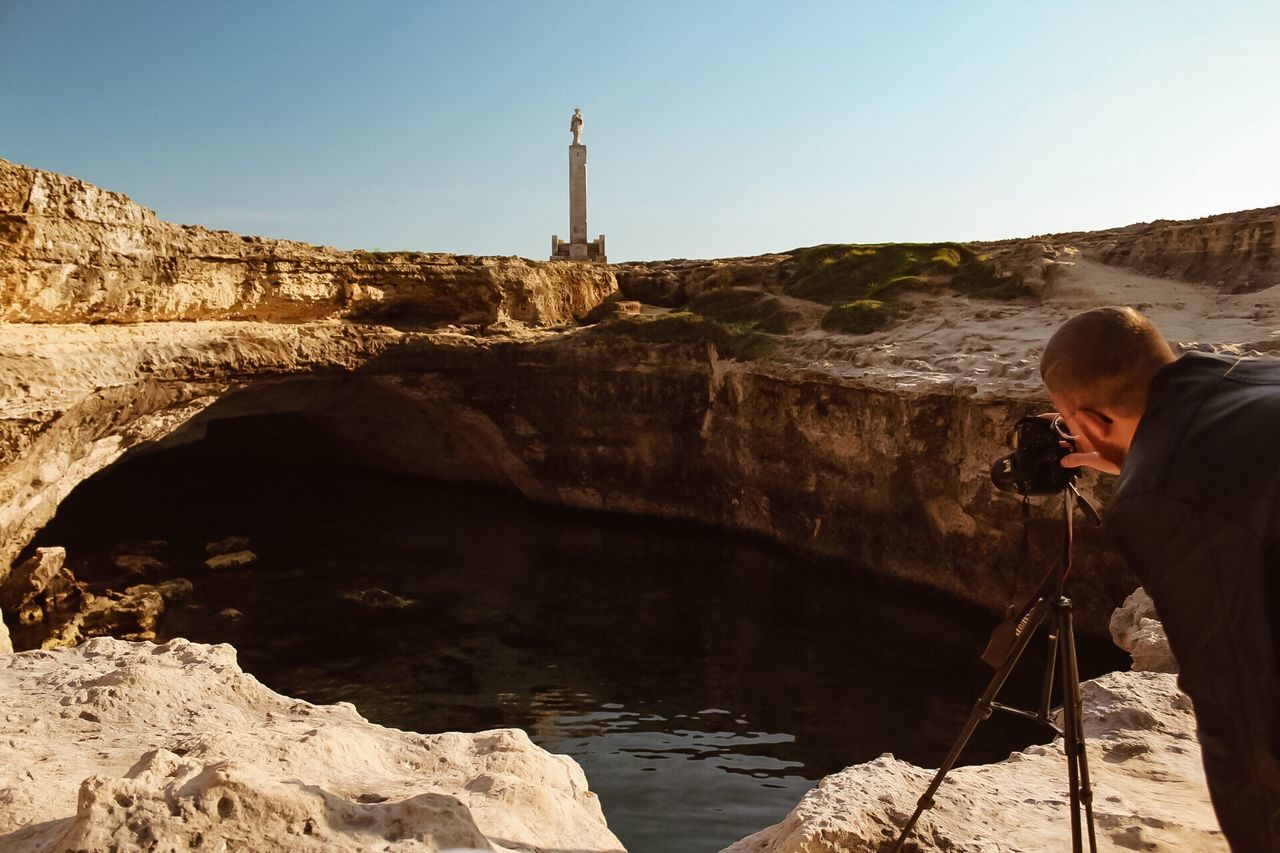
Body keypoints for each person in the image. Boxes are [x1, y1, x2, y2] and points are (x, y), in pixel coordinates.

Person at [1040, 305, 1280, 851]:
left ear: (1093, 422)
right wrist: (1138, 456)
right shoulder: (1251, 374)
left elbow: (1239, 700)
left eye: (1067, 419)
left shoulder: (1158, 499)